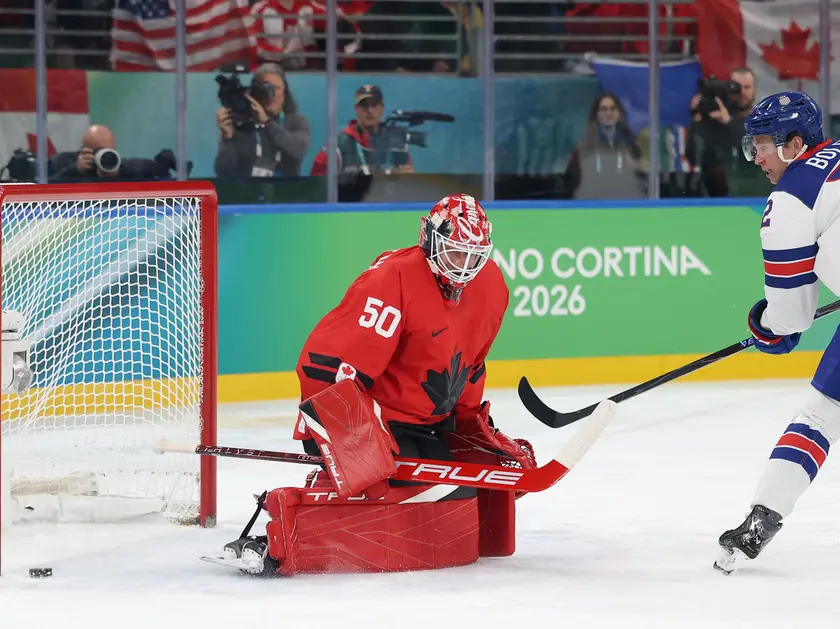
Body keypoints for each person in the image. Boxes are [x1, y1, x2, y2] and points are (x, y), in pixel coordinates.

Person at [218, 194, 536, 577]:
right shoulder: (394, 279)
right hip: (363, 417)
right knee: (394, 491)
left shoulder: (492, 287)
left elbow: (470, 366)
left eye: (474, 256)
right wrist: (351, 435)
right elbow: (327, 365)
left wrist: (470, 429)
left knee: (454, 494)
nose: (464, 268)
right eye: (455, 254)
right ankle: (298, 511)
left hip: (422, 423)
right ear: (431, 240)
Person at [715, 91, 840, 574]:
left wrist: (764, 325)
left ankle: (762, 519)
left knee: (820, 416)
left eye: (763, 145)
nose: (757, 157)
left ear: (793, 144)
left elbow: (791, 319)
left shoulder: (791, 196)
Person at [214, 63, 310, 178]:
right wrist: (228, 138)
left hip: (285, 192)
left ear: (285, 92)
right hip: (248, 192)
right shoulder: (241, 123)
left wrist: (267, 122)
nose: (272, 94)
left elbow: (298, 150)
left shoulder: (296, 121)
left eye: (276, 88)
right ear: (256, 92)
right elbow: (223, 172)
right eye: (267, 88)